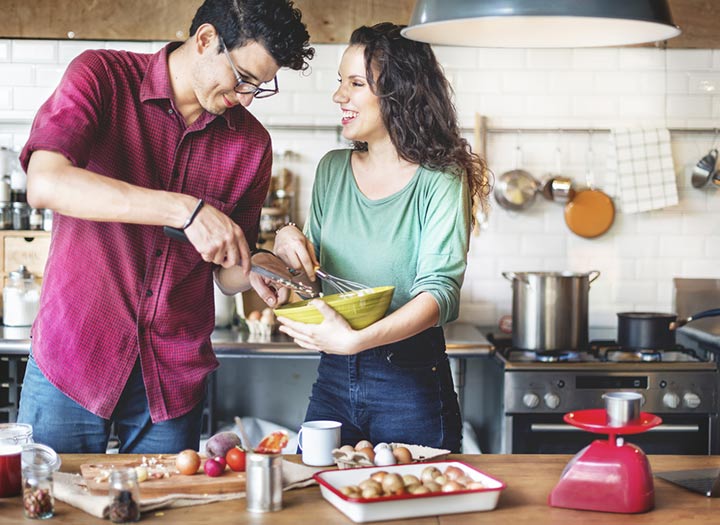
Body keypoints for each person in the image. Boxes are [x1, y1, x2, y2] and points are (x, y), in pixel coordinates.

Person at [17, 0, 314, 454]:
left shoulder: (252, 144)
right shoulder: (101, 76)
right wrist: (184, 210)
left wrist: (262, 264)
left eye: (261, 86)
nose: (249, 97)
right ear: (206, 40)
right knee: (49, 512)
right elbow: (45, 182)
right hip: (73, 359)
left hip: (171, 379)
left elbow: (227, 275)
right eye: (244, 78)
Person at [273, 23, 490, 453]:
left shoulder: (441, 180)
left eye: (355, 83)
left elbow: (440, 294)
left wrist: (355, 340)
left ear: (398, 93)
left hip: (410, 381)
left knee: (418, 507)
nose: (339, 96)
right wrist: (284, 243)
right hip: (334, 377)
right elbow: (310, 282)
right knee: (314, 503)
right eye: (341, 82)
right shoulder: (331, 170)